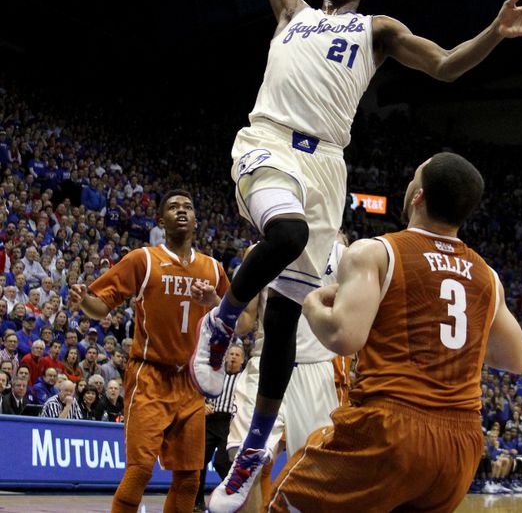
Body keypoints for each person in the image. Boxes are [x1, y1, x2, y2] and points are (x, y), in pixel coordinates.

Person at [190, 0, 522, 507]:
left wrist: (494, 31)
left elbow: (443, 65)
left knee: (284, 319)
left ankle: (252, 448)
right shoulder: (293, 15)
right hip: (269, 141)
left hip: (328, 163)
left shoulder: (376, 30)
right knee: (285, 233)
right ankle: (222, 321)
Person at [261, 152, 522, 513]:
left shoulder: (376, 251)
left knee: (281, 505)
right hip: (460, 446)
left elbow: (343, 337)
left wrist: (310, 304)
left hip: (391, 429)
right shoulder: (487, 275)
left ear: (417, 196)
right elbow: (516, 360)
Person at [69, 190, 230, 513]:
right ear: (161, 221)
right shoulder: (143, 259)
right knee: (139, 471)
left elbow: (235, 320)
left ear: (196, 220)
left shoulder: (213, 269)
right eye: (173, 207)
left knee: (189, 478)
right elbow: (101, 306)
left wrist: (214, 302)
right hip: (149, 375)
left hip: (190, 382)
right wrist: (84, 300)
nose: (181, 211)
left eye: (187, 206)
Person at [210, 240, 346, 513]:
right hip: (266, 362)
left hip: (316, 368)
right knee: (244, 461)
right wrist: (217, 306)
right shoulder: (260, 249)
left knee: (319, 478)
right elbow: (247, 319)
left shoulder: (342, 253)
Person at [195, 344, 245, 513]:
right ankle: (198, 501)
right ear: (225, 357)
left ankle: (235, 494)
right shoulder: (216, 374)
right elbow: (199, 390)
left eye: (237, 354)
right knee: (199, 462)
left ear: (242, 360)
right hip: (210, 420)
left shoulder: (244, 379)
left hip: (230, 424)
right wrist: (202, 404)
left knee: (222, 462)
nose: (233, 357)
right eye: (231, 353)